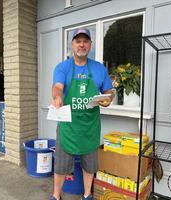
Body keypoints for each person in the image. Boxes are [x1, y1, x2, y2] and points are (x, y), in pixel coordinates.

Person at [51, 27, 114, 200]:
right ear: (72, 45)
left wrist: (109, 98)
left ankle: (87, 195)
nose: (82, 45)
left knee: (90, 165)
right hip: (67, 126)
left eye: (85, 41)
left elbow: (109, 90)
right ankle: (56, 196)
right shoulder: (63, 67)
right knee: (61, 165)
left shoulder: (99, 69)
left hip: (90, 126)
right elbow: (57, 87)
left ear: (90, 45)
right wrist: (57, 97)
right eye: (78, 41)